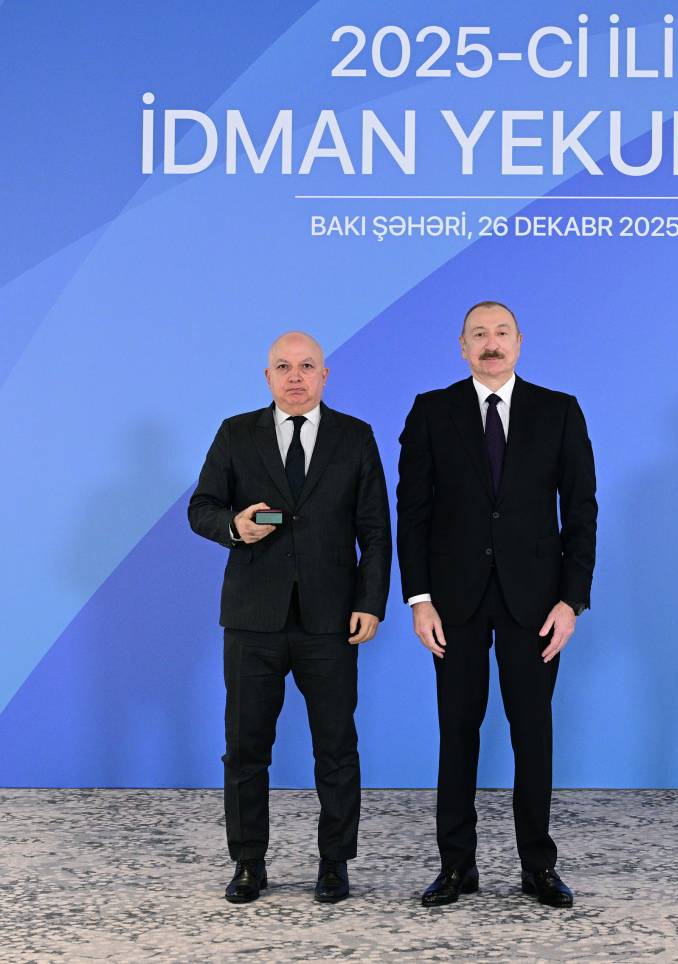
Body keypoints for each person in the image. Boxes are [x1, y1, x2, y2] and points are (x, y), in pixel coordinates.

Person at [397, 301, 597, 908]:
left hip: (535, 603)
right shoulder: (431, 411)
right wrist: (419, 599)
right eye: (479, 334)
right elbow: (412, 512)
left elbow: (581, 511)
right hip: (452, 602)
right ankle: (456, 867)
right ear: (461, 346)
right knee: (456, 732)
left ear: (520, 342)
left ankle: (538, 866)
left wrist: (571, 601)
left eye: (501, 332)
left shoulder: (559, 411)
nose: (491, 343)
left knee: (532, 734)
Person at [188, 331, 391, 905]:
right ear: (267, 376)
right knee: (245, 748)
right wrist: (234, 527)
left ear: (324, 375)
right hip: (253, 619)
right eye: (283, 366)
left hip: (331, 620)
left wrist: (370, 602)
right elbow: (201, 508)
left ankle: (335, 863)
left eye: (306, 366)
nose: (295, 376)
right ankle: (248, 862)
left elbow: (376, 531)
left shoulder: (355, 436)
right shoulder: (236, 433)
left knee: (336, 747)